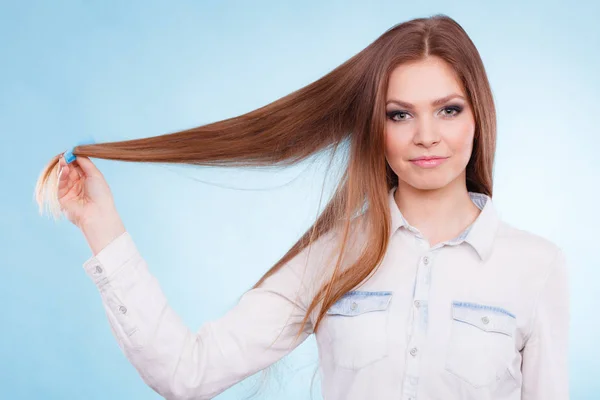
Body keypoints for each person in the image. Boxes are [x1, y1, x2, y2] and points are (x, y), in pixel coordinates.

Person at [35, 14, 569, 400]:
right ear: (374, 128)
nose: (427, 136)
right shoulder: (333, 256)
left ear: (478, 116)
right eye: (400, 115)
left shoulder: (535, 267)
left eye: (448, 110)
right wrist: (98, 223)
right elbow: (186, 373)